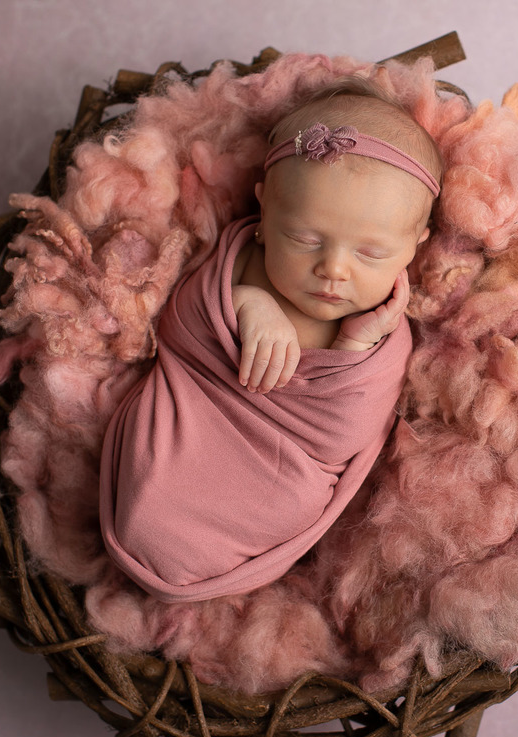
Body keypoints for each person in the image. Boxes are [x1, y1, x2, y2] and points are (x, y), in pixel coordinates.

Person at [99, 85, 443, 603]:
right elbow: (178, 330)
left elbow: (344, 439)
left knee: (297, 495)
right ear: (264, 213)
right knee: (155, 452)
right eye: (305, 239)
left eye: (371, 253)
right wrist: (247, 302)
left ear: (415, 246)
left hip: (284, 466)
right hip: (195, 413)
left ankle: (193, 554)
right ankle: (151, 523)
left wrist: (353, 348)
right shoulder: (241, 262)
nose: (334, 268)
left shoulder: (381, 330)